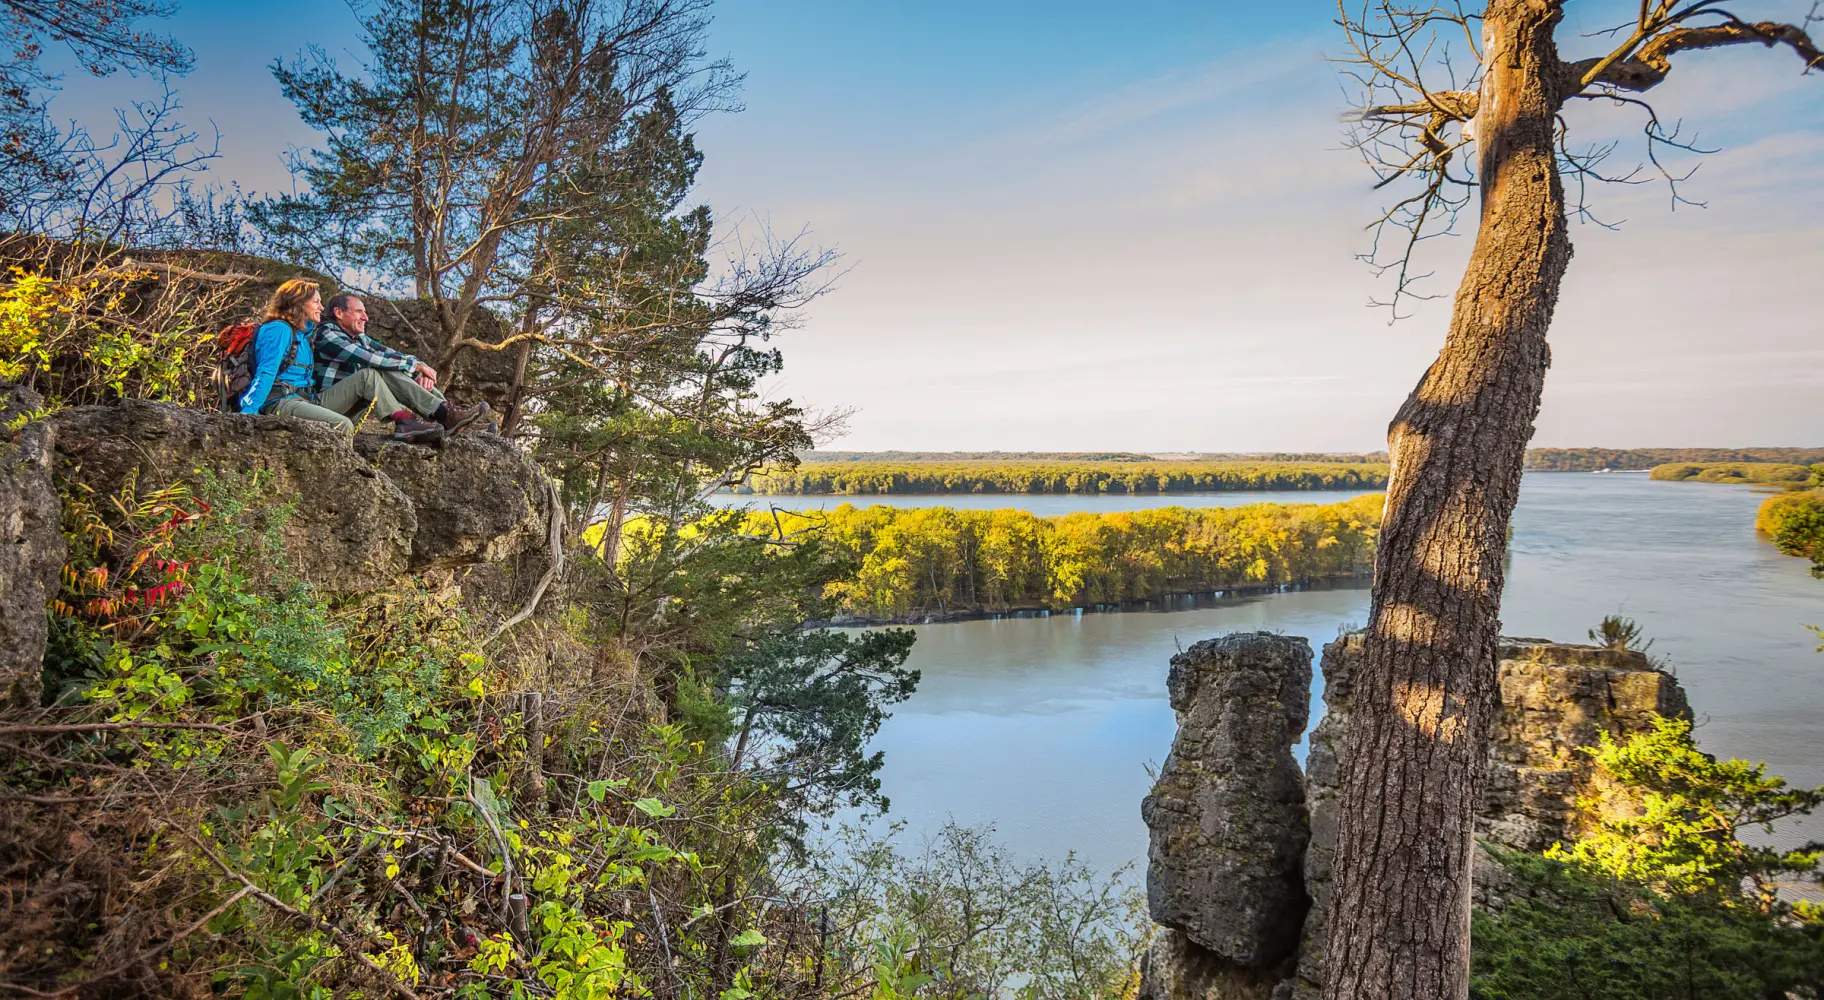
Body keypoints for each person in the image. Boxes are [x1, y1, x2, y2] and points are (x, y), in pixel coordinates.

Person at [239, 279, 447, 443]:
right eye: (316, 302)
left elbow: (385, 355)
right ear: (297, 303)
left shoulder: (304, 335)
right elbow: (266, 372)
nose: (321, 307)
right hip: (280, 401)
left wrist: (418, 367)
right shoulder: (279, 329)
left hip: (308, 399)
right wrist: (248, 414)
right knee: (342, 424)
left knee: (369, 376)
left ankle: (440, 412)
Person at [311, 292, 490, 435]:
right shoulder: (326, 334)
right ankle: (440, 416)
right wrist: (415, 366)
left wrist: (419, 368)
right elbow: (370, 358)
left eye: (365, 312)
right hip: (325, 408)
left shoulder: (360, 338)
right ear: (339, 313)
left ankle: (451, 418)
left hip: (349, 410)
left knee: (394, 365)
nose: (366, 318)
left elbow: (392, 355)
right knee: (374, 370)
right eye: (359, 312)